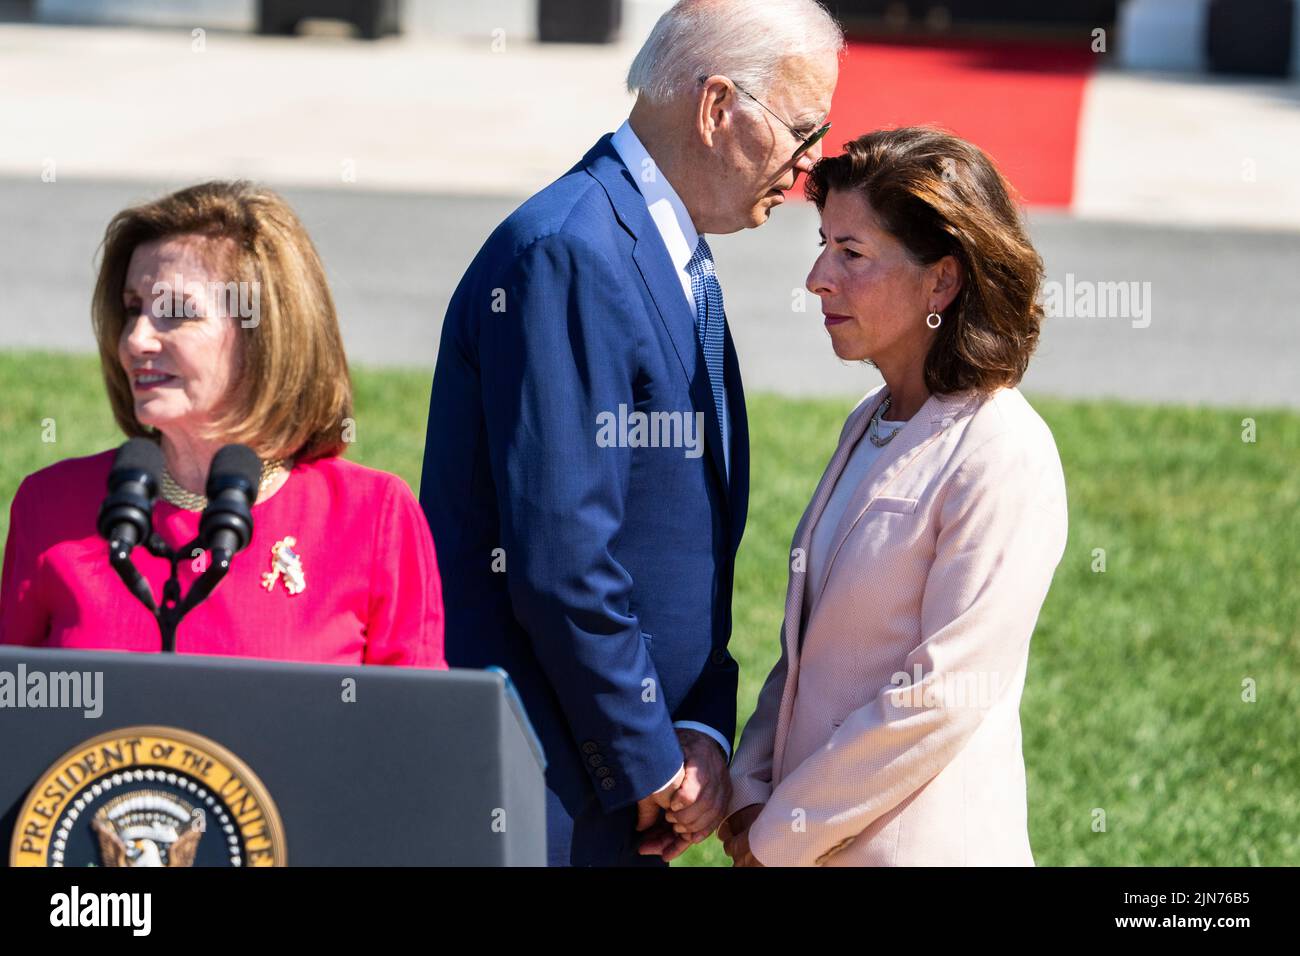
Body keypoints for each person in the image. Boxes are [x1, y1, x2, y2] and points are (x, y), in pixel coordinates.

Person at [419, 0, 842, 865]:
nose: (807, 170)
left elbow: (680, 539)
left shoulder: (659, 242)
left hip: (611, 774)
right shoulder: (571, 252)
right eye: (804, 133)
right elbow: (563, 557)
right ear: (718, 107)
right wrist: (648, 760)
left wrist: (696, 729)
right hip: (550, 781)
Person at [719, 127, 1068, 866]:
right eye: (823, 244)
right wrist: (750, 784)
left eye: (851, 253)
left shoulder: (1002, 449)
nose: (818, 276)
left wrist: (782, 832)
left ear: (941, 283)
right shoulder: (872, 421)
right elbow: (805, 652)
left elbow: (946, 692)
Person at [0, 181, 446, 669]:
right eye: (133, 309)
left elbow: (419, 734)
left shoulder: (371, 517)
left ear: (265, 333)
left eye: (175, 312)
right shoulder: (51, 505)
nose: (136, 339)